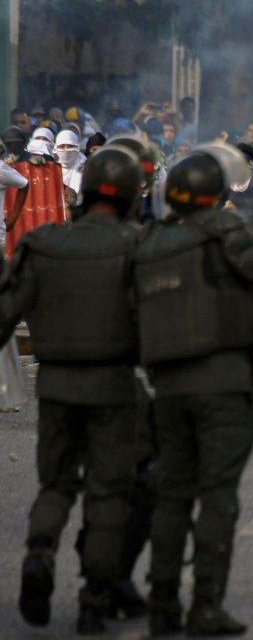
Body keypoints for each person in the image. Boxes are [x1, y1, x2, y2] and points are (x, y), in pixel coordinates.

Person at [134, 147, 253, 636]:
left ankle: (162, 602)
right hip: (225, 381)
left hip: (169, 385)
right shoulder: (227, 230)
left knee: (173, 493)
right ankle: (204, 604)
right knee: (218, 497)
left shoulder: (152, 240)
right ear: (215, 193)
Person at [0, 146, 144, 634]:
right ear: (129, 193)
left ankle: (40, 553)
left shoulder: (42, 244)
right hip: (114, 386)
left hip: (57, 384)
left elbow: (3, 315)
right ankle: (93, 600)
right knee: (107, 493)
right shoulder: (137, 246)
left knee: (56, 484)